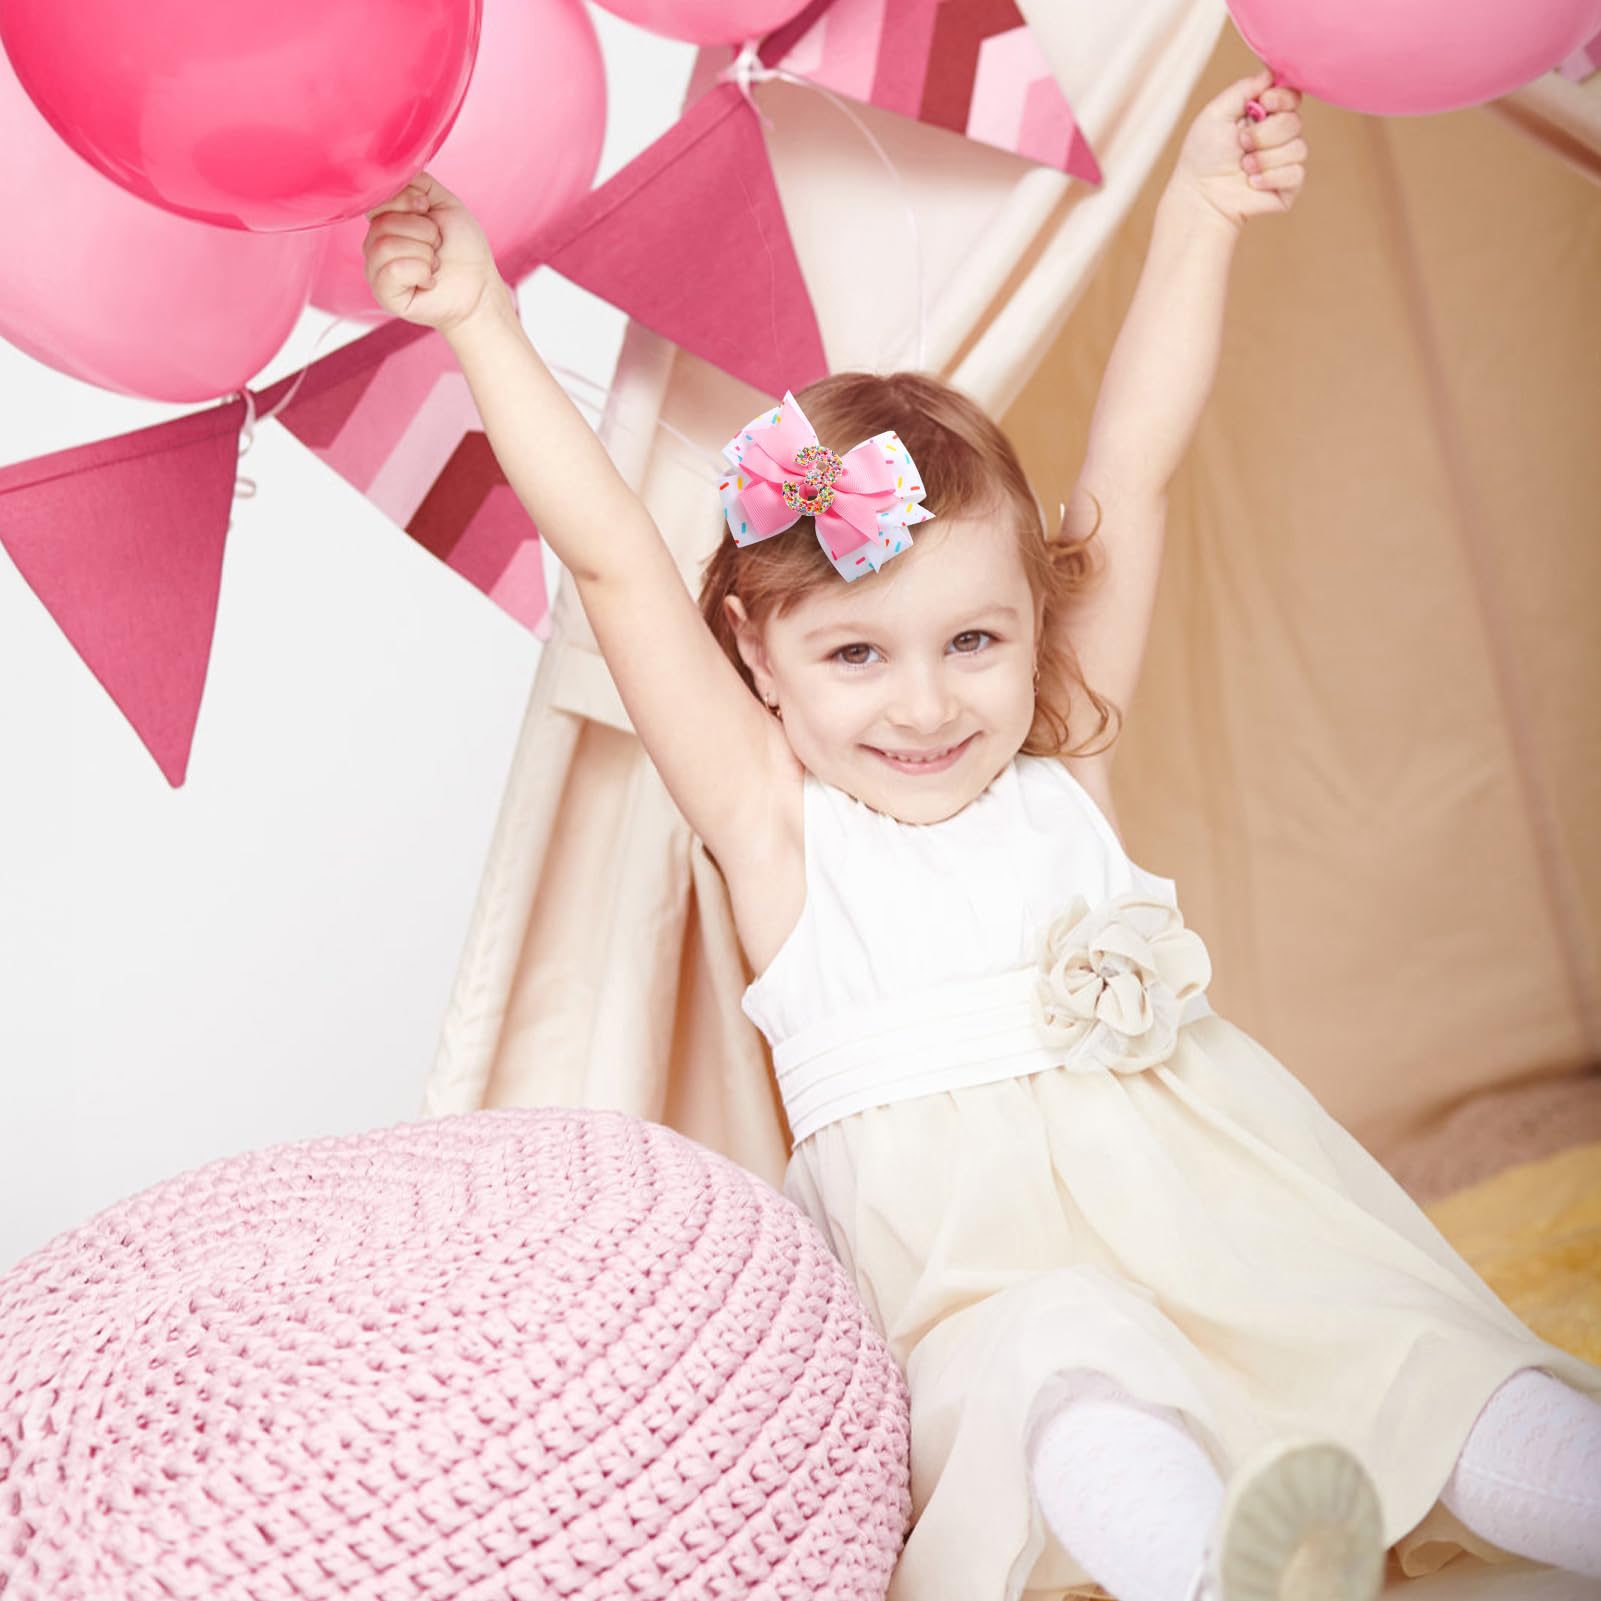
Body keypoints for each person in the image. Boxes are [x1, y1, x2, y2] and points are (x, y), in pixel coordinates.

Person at [363, 68, 1601, 1601]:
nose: (926, 702)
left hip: (1216, 1216)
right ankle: (1212, 1575)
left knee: (1411, 1348)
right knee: (1066, 1374)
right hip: (985, 1290)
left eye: (973, 640)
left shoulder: (1056, 753)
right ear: (758, 662)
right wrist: (479, 318)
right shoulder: (775, 827)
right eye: (855, 654)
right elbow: (615, 560)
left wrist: (1200, 213)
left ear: (1031, 627)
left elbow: (1132, 468)